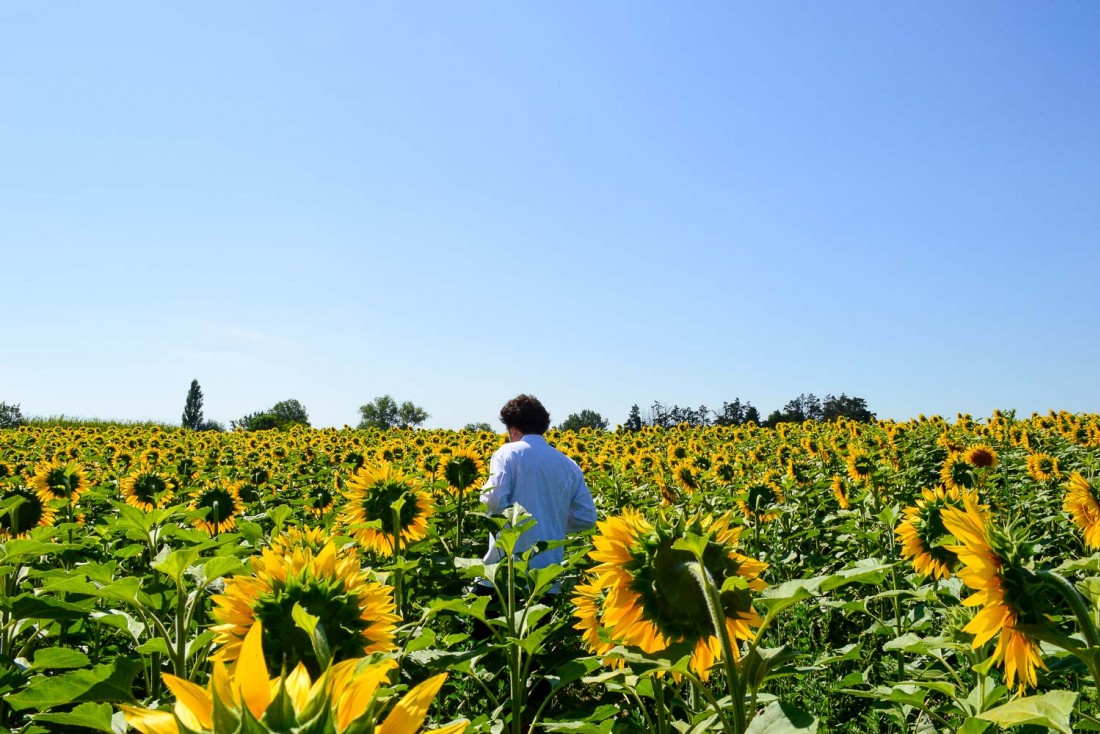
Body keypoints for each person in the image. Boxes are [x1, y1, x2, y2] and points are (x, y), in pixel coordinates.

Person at [479, 394, 597, 579]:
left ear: (513, 428)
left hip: (504, 575)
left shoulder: (508, 453)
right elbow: (586, 517)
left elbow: (494, 499)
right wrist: (550, 521)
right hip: (546, 577)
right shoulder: (569, 464)